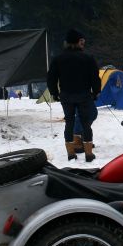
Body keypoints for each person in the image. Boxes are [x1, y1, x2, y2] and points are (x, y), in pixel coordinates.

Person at [47, 29, 101, 162]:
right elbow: (95, 78)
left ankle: (71, 154)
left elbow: (51, 78)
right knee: (85, 123)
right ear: (78, 42)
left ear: (66, 42)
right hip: (84, 95)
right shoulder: (88, 58)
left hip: (66, 95)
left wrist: (54, 93)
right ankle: (89, 154)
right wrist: (96, 92)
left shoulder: (58, 59)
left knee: (69, 123)